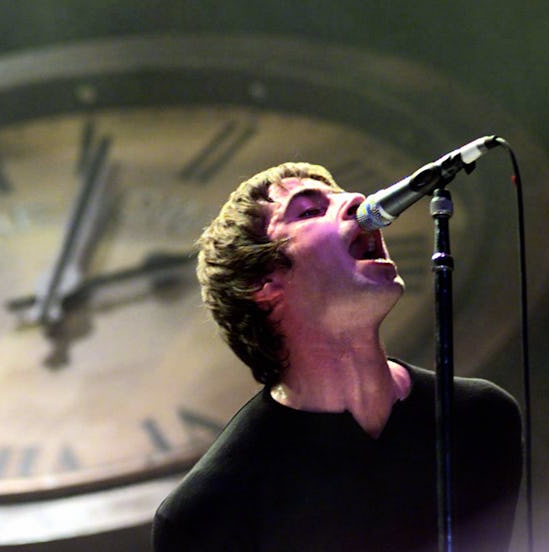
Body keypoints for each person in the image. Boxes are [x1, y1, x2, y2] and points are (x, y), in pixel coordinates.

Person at [152, 162, 522, 551]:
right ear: (262, 283)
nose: (358, 201)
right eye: (310, 210)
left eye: (343, 195)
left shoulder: (479, 418)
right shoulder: (209, 513)